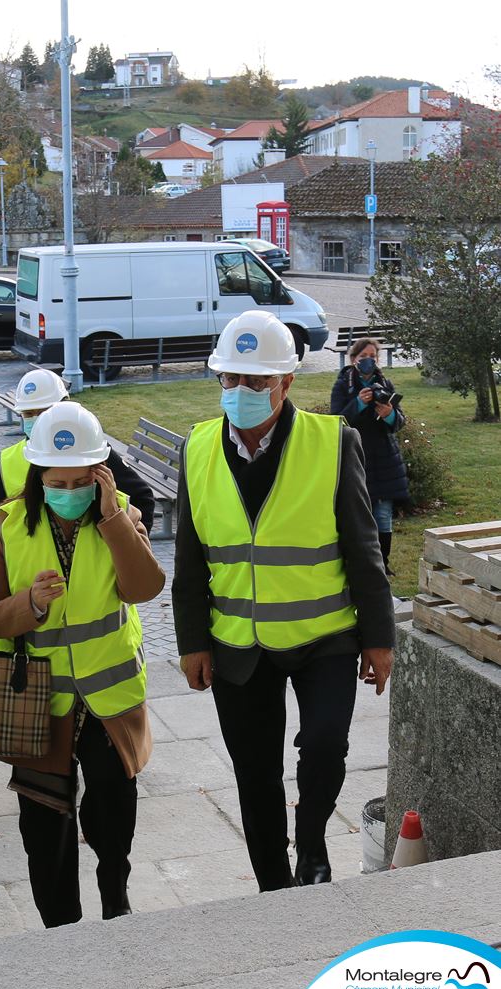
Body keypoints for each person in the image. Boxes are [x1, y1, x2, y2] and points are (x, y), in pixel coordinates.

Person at [172, 310, 395, 892]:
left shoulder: (332, 442)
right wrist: (193, 641)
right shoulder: (196, 448)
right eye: (229, 380)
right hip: (237, 644)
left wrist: (379, 637)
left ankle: (313, 837)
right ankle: (273, 881)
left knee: (324, 745)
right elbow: (191, 560)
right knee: (255, 773)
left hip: (324, 635)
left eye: (255, 382)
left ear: (286, 383)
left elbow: (363, 545)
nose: (240, 393)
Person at [0, 402, 165, 928]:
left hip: (109, 699)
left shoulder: (121, 514)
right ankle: (60, 924)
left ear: (100, 474)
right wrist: (28, 605)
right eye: (57, 482)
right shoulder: (6, 524)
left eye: (81, 481)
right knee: (45, 825)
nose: (68, 492)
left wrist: (113, 520)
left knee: (113, 813)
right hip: (39, 700)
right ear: (38, 477)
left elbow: (144, 588)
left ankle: (115, 896)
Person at [0, 369, 156, 549]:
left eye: (44, 411)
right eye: (28, 414)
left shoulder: (90, 453)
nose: (37, 419)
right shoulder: (8, 460)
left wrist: (132, 546)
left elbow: (142, 498)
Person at [330, 339, 410, 576]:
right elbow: (337, 421)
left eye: (373, 355)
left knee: (383, 515)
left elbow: (399, 422)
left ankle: (383, 564)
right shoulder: (343, 385)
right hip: (355, 457)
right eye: (364, 355)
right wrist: (358, 403)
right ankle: (361, 563)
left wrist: (389, 413)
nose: (369, 359)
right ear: (354, 358)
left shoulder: (385, 383)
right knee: (358, 514)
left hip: (384, 459)